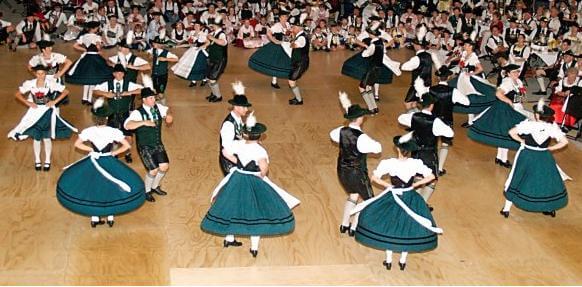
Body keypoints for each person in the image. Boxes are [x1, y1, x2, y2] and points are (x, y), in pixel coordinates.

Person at [201, 112, 300, 257]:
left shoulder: (239, 145)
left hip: (237, 177)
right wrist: (261, 174)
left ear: (246, 134)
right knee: (255, 212)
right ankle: (254, 248)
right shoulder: (259, 150)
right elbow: (263, 166)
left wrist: (239, 163)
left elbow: (226, 153)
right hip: (253, 180)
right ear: (259, 136)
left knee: (232, 207)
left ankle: (229, 238)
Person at [351, 132, 442, 271]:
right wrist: (415, 185)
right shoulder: (415, 163)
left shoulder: (390, 163)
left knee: (390, 225)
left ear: (397, 149)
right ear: (410, 151)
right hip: (409, 196)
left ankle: (388, 260)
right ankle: (403, 261)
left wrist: (389, 186)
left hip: (393, 196)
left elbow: (374, 178)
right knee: (407, 226)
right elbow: (431, 176)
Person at [56, 99, 146, 228]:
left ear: (94, 118)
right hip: (108, 160)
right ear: (107, 118)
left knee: (93, 185)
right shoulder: (113, 132)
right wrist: (114, 153)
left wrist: (91, 149)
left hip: (94, 161)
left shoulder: (89, 131)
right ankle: (110, 216)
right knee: (111, 187)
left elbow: (77, 144)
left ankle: (94, 217)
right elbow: (127, 145)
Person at [500, 99, 569, 218]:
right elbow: (564, 142)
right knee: (546, 181)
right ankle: (549, 207)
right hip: (544, 157)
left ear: (537, 115)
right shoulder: (552, 128)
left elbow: (511, 132)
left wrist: (522, 141)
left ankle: (506, 209)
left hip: (527, 155)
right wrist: (550, 149)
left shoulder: (529, 125)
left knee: (517, 178)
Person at [330, 92, 382, 236]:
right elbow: (378, 149)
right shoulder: (362, 138)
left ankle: (344, 223)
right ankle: (354, 226)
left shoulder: (340, 131)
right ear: (359, 119)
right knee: (367, 200)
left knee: (353, 195)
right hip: (357, 173)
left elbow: (333, 135)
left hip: (342, 171)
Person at [8, 65, 77, 171]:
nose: (41, 76)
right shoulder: (30, 84)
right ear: (35, 74)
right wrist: (27, 102)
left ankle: (48, 160)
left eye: (43, 73)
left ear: (46, 74)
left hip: (46, 112)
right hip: (34, 113)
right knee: (36, 137)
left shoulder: (50, 83)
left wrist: (54, 101)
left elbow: (65, 91)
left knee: (46, 137)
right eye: (38, 73)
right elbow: (17, 94)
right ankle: (37, 160)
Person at [397, 88, 454, 206]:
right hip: (429, 154)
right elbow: (450, 133)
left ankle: (413, 203)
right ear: (431, 106)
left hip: (416, 151)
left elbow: (400, 119)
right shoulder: (435, 121)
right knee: (432, 180)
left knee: (417, 177)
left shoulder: (413, 116)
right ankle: (422, 203)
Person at [468, 64, 528, 168]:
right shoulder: (507, 82)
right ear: (508, 73)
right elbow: (498, 94)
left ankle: (500, 157)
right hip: (506, 110)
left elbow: (520, 95)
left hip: (516, 108)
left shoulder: (518, 81)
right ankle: (502, 158)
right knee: (505, 133)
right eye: (514, 72)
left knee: (505, 133)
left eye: (517, 71)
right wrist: (509, 101)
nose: (517, 74)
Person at [124, 87, 173, 202]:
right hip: (144, 146)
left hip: (157, 143)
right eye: (151, 98)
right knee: (153, 170)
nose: (154, 100)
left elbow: (167, 110)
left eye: (154, 98)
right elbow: (127, 125)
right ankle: (146, 191)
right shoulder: (137, 113)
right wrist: (143, 122)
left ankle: (155, 186)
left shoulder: (158, 108)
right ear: (144, 100)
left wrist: (169, 115)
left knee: (164, 166)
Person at [93, 64, 143, 163]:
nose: (119, 75)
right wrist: (105, 93)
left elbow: (143, 89)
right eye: (117, 73)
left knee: (128, 136)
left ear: (124, 74)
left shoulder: (129, 84)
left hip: (125, 114)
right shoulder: (108, 84)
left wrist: (129, 93)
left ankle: (127, 153)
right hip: (112, 113)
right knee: (112, 136)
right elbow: (95, 90)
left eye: (121, 73)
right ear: (114, 74)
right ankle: (115, 153)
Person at [429, 66, 469, 176]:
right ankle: (440, 168)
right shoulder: (453, 91)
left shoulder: (431, 90)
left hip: (432, 120)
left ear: (437, 77)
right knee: (445, 144)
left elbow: (422, 99)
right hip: (446, 120)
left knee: (432, 143)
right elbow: (467, 102)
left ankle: (431, 166)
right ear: (449, 77)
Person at [66, 21, 113, 105]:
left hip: (87, 57)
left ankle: (84, 98)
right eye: (97, 27)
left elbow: (75, 45)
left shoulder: (84, 36)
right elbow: (98, 47)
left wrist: (85, 50)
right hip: (95, 58)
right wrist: (101, 45)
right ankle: (89, 98)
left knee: (87, 79)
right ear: (94, 28)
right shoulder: (97, 37)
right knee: (92, 79)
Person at [248, 11, 292, 88]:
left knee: (288, 62)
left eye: (286, 17)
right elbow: (268, 33)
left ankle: (291, 80)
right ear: (280, 17)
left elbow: (289, 34)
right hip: (279, 46)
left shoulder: (287, 24)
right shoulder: (277, 26)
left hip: (287, 45)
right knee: (276, 63)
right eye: (283, 17)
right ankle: (274, 81)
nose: (285, 18)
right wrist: (275, 41)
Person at [218, 82, 252, 176]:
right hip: (230, 163)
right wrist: (241, 164)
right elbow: (225, 151)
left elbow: (240, 134)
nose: (246, 110)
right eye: (244, 107)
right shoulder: (228, 125)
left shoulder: (238, 118)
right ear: (236, 107)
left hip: (238, 156)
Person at [401, 26, 434, 111]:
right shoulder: (429, 55)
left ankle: (414, 120)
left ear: (417, 46)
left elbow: (405, 67)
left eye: (414, 44)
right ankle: (417, 117)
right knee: (415, 103)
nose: (413, 45)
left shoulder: (417, 58)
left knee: (407, 103)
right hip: (427, 84)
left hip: (417, 84)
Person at [171, 21, 208, 87]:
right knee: (191, 66)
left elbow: (208, 42)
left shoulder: (202, 34)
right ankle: (193, 81)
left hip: (199, 52)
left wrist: (202, 47)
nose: (196, 27)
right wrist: (178, 46)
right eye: (195, 25)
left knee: (199, 66)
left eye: (198, 26)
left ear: (201, 27)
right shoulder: (192, 33)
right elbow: (189, 44)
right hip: (192, 51)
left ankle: (204, 79)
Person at [204, 16, 229, 103]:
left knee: (212, 79)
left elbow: (223, 43)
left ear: (216, 25)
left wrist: (212, 38)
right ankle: (214, 93)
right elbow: (209, 43)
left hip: (220, 60)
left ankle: (218, 96)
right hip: (212, 58)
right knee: (208, 78)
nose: (211, 26)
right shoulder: (214, 33)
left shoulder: (221, 34)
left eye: (213, 24)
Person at [148, 36, 179, 104]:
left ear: (160, 45)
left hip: (162, 74)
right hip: (154, 73)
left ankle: (162, 102)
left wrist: (165, 59)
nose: (153, 44)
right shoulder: (152, 50)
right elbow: (148, 54)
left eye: (155, 43)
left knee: (161, 91)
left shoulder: (166, 53)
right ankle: (156, 101)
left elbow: (176, 59)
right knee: (155, 88)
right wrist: (150, 56)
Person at [288, 17, 310, 105]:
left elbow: (295, 45)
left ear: (299, 28)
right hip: (298, 62)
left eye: (293, 27)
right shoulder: (299, 36)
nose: (292, 29)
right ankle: (297, 98)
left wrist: (290, 41)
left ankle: (299, 100)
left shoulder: (302, 38)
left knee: (291, 81)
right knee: (292, 80)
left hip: (301, 63)